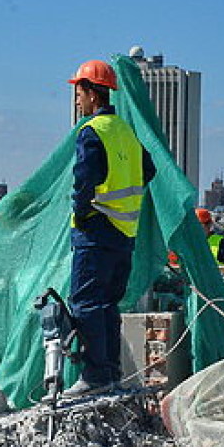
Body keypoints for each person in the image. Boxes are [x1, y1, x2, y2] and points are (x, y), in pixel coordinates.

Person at [64, 59, 156, 397]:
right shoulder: (125, 131)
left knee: (86, 303)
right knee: (107, 305)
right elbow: (149, 170)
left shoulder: (92, 131)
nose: (76, 100)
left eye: (78, 92)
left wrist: (83, 212)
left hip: (97, 231)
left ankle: (94, 376)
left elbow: (83, 181)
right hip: (123, 235)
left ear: (90, 93)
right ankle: (111, 374)